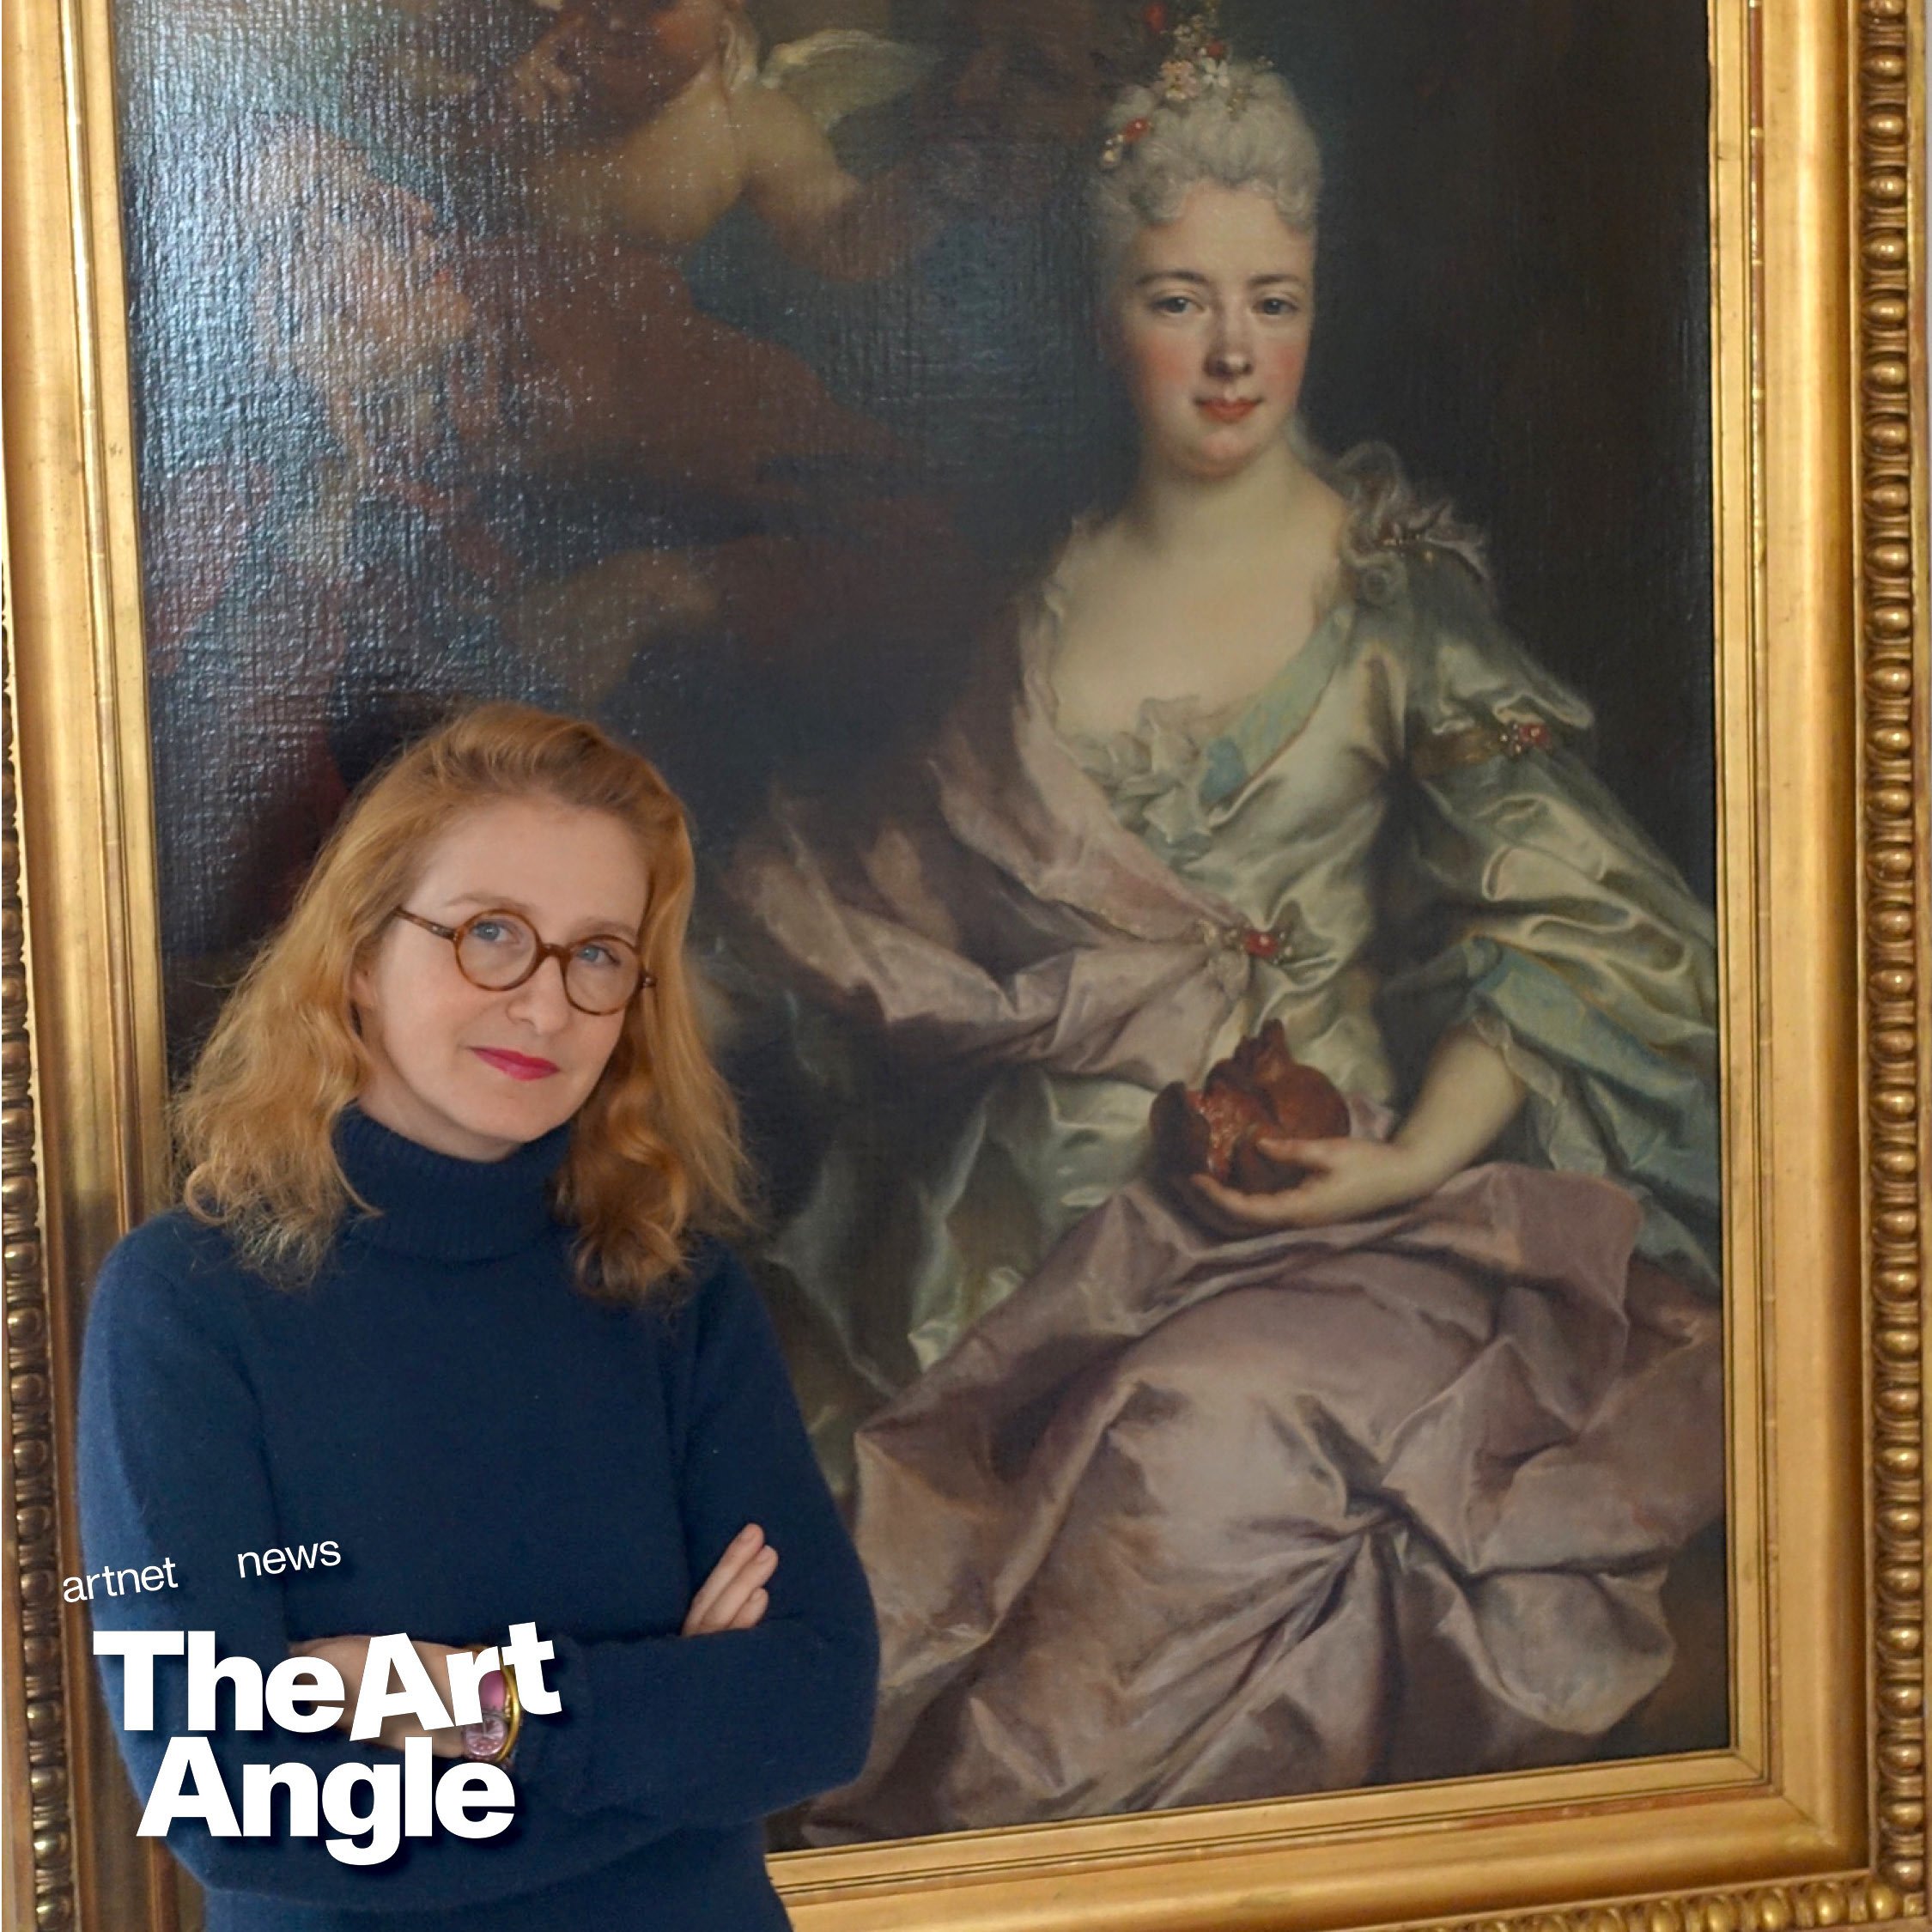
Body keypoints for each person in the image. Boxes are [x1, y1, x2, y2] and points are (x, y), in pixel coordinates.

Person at [723, 18, 1724, 1842]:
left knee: (1193, 1453)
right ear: (1111, 312)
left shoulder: (1390, 591)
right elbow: (890, 897)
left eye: (1276, 296)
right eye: (1184, 299)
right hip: (1012, 1229)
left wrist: (1406, 1154)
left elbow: (1564, 913)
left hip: (1326, 1231)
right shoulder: (1043, 605)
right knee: (821, 1495)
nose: (1238, 348)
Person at [80, 704, 878, 1928]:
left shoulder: (673, 1290)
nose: (547, 1005)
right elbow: (233, 1799)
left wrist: (469, 1705)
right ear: (354, 954)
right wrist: (671, 1723)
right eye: (489, 934)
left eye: (599, 953)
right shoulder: (186, 1304)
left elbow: (816, 1706)